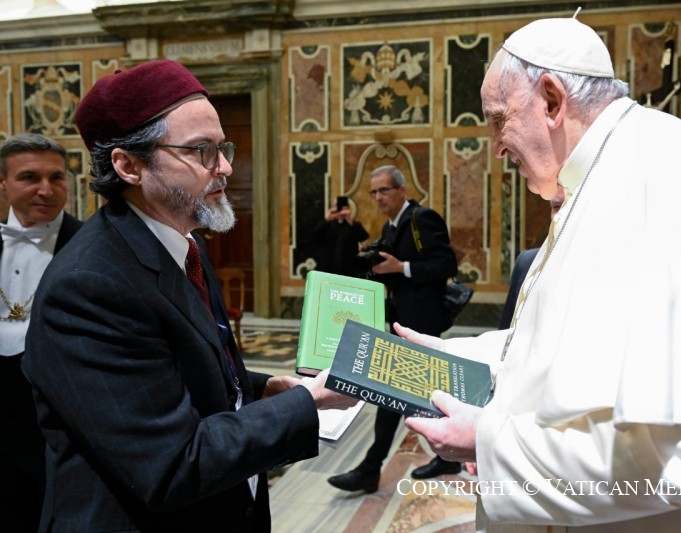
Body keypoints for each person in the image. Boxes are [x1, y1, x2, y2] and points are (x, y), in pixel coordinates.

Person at [403, 15, 681, 531]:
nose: (496, 147)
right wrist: (444, 358)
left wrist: (490, 442)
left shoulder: (654, 183)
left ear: (550, 99)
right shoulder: (607, 174)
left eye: (499, 119)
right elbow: (559, 347)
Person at [21, 59, 354, 532]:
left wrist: (261, 388)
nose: (224, 167)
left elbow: (172, 362)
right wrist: (305, 404)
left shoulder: (184, 241)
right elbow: (170, 464)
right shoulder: (90, 286)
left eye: (222, 147)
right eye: (201, 151)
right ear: (129, 165)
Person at [327, 164, 459, 492]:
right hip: (402, 322)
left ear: (402, 190)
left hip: (422, 323)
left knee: (397, 394)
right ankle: (446, 455)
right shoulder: (391, 226)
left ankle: (372, 468)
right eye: (373, 192)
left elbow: (446, 264)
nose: (378, 197)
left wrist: (403, 267)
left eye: (384, 190)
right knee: (415, 394)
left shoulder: (421, 218)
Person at [0, 133, 82, 532]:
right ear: (3, 183)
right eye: (29, 177)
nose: (46, 190)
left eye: (57, 178)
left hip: (60, 413)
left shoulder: (90, 245)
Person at [498, 189, 563, 329]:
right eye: (557, 207)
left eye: (569, 206)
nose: (559, 217)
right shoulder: (527, 262)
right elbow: (506, 331)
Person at [309, 199, 369, 276]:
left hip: (348, 269)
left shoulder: (354, 225)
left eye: (342, 207)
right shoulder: (327, 224)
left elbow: (364, 236)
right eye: (336, 206)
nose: (339, 208)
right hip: (328, 268)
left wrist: (350, 221)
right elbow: (314, 236)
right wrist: (326, 220)